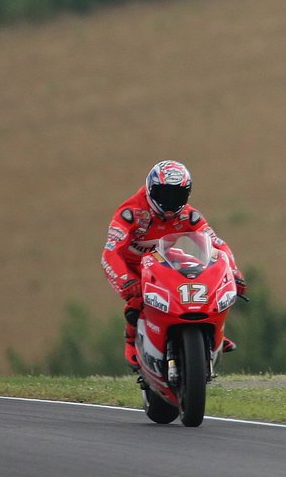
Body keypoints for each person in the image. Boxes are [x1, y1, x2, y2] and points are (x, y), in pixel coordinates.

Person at [101, 160, 245, 378]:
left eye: (176, 195)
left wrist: (235, 274)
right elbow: (110, 252)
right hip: (133, 267)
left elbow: (218, 244)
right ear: (150, 189)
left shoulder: (189, 215)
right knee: (137, 303)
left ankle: (214, 332)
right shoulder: (129, 213)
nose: (170, 202)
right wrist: (126, 281)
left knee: (203, 285)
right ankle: (131, 342)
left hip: (165, 261)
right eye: (163, 194)